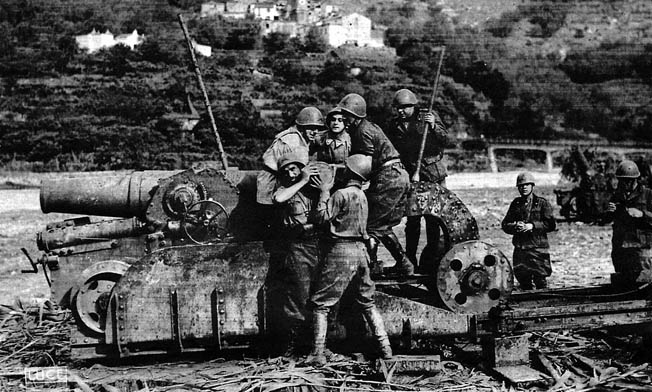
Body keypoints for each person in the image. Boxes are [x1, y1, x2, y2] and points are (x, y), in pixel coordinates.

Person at [307, 154, 393, 366]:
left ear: (351, 173)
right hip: (361, 252)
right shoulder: (362, 196)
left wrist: (324, 192)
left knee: (320, 304)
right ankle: (386, 349)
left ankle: (317, 353)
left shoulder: (341, 194)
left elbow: (320, 218)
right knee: (367, 302)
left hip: (342, 251)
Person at [336, 93, 413, 276]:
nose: (343, 119)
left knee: (370, 224)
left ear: (354, 116)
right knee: (380, 225)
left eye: (346, 115)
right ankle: (403, 264)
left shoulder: (362, 132)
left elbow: (365, 162)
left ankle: (370, 268)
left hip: (388, 177)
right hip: (395, 175)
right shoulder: (366, 127)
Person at [387, 88, 449, 268]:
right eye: (398, 108)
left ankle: (433, 259)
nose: (401, 111)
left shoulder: (427, 116)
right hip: (410, 175)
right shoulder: (394, 125)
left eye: (405, 107)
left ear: (413, 106)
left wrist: (434, 126)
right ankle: (410, 258)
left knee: (433, 219)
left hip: (432, 174)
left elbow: (445, 140)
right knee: (412, 219)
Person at [272, 150, 321, 357]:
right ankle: (292, 347)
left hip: (318, 246)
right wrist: (301, 180)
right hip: (297, 246)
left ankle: (318, 345)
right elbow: (278, 198)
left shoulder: (316, 189)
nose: (291, 173)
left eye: (294, 168)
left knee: (319, 298)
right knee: (298, 298)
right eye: (286, 170)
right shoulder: (286, 189)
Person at [257, 106, 325, 205]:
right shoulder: (294, 141)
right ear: (302, 126)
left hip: (279, 177)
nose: (314, 132)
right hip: (272, 181)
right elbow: (296, 171)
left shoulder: (295, 136)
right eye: (310, 128)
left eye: (317, 129)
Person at [501, 172, 556, 290]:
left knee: (540, 280)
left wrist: (532, 226)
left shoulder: (542, 203)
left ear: (532, 186)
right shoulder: (516, 204)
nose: (524, 188)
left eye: (527, 185)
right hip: (521, 249)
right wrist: (515, 226)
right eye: (521, 186)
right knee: (523, 280)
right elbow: (505, 224)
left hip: (537, 248)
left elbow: (550, 224)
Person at [606, 160, 652, 284]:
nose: (625, 183)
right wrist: (610, 212)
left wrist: (642, 214)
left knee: (644, 280)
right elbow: (605, 220)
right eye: (622, 180)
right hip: (620, 245)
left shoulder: (648, 194)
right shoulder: (617, 195)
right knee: (622, 279)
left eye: (628, 180)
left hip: (640, 245)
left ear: (635, 180)